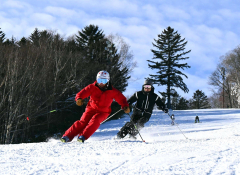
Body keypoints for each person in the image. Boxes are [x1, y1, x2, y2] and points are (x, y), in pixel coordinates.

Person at [61, 70, 130, 143]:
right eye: (99, 80)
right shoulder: (92, 87)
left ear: (108, 81)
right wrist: (79, 99)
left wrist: (125, 106)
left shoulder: (113, 91)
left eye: (104, 81)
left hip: (103, 112)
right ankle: (67, 136)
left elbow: (122, 99)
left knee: (95, 120)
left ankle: (82, 136)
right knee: (82, 122)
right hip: (91, 109)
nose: (101, 83)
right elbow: (81, 93)